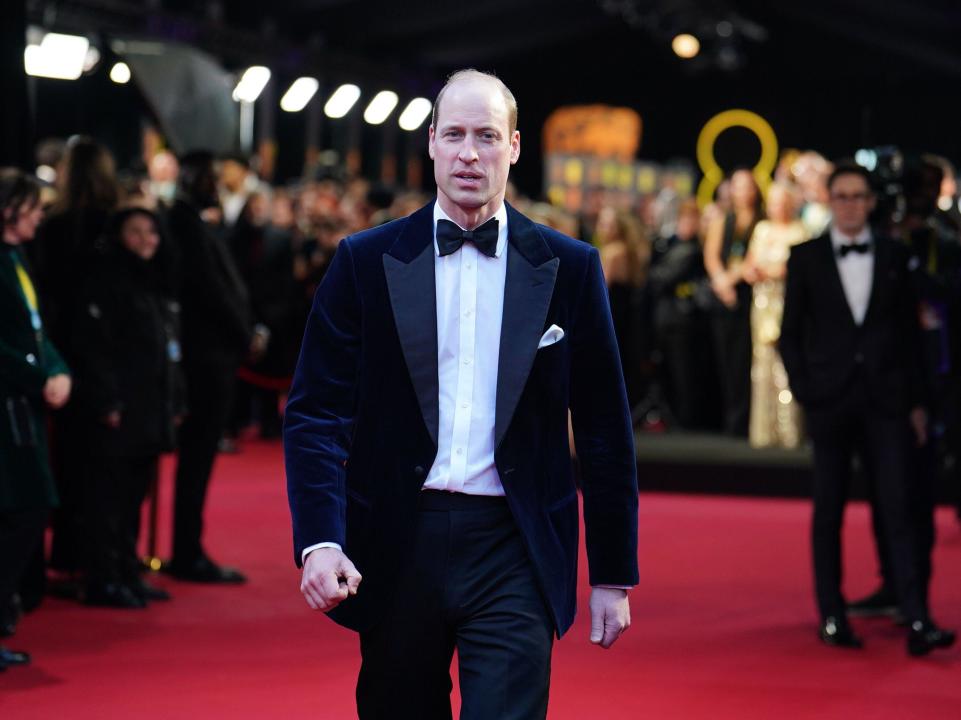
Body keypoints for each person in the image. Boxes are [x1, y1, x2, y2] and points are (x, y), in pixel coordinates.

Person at [285, 69, 638, 719]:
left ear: (514, 147)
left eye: (485, 135)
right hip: (395, 539)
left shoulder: (570, 267)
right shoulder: (364, 261)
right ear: (430, 144)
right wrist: (319, 538)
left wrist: (612, 573)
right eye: (454, 135)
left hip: (515, 544)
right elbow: (314, 412)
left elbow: (603, 427)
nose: (469, 152)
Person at [779, 162, 955, 656]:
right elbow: (790, 335)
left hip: (888, 401)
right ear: (830, 201)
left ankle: (917, 616)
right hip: (830, 401)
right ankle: (831, 614)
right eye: (842, 196)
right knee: (828, 509)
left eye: (859, 196)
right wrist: (807, 389)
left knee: (899, 507)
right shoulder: (806, 257)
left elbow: (912, 338)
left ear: (871, 202)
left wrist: (919, 402)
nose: (851, 204)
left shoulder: (897, 255)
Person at [70, 207, 185, 607]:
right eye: (135, 232)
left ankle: (127, 572)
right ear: (119, 235)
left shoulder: (154, 281)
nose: (146, 240)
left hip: (148, 409)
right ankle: (104, 577)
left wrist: (175, 401)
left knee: (135, 496)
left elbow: (168, 349)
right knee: (108, 499)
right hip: (117, 409)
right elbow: (94, 348)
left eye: (151, 232)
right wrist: (107, 401)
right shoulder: (104, 281)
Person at [162, 151, 258, 583]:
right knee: (196, 458)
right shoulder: (184, 223)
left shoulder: (193, 221)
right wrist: (244, 333)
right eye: (211, 174)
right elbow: (213, 291)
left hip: (212, 354)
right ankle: (186, 551)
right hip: (206, 358)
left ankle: (188, 547)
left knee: (199, 459)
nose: (218, 181)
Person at [0, 168, 71, 670]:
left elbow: (35, 330)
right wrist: (35, 374)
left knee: (29, 510)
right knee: (25, 511)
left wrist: (56, 369)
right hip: (8, 411)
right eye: (33, 207)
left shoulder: (16, 257)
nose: (41, 215)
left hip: (21, 409)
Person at [743, 182, 807, 448]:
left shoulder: (800, 231)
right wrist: (753, 272)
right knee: (762, 366)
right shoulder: (762, 229)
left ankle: (789, 433)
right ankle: (763, 433)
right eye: (774, 201)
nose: (777, 206)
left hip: (787, 304)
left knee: (786, 367)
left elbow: (797, 269)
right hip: (762, 303)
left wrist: (769, 271)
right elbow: (748, 265)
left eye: (782, 201)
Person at [703, 169, 761, 437]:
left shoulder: (762, 221)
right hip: (722, 298)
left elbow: (755, 258)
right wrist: (721, 282)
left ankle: (744, 421)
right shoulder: (722, 220)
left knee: (745, 360)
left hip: (751, 296)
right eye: (737, 187)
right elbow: (712, 255)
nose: (742, 192)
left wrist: (731, 278)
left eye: (747, 186)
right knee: (725, 360)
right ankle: (728, 418)